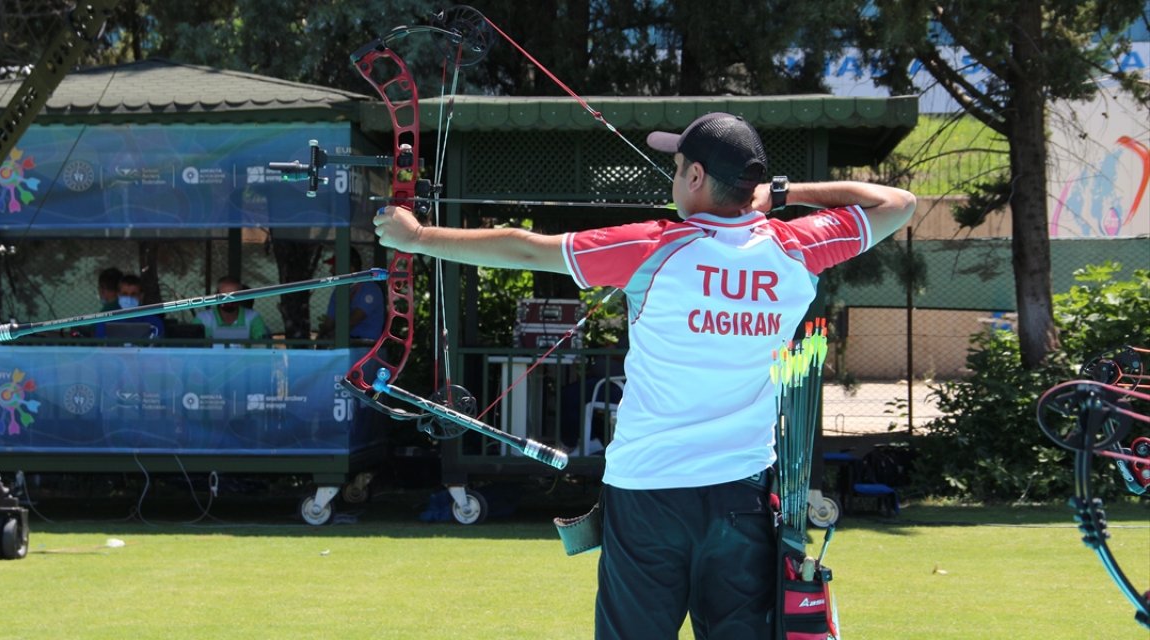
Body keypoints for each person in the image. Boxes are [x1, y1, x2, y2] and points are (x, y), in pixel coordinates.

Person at [374, 112, 916, 639]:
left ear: (696, 176)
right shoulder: (798, 247)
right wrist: (781, 192)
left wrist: (416, 237)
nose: (673, 177)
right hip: (742, 496)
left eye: (678, 167)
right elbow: (897, 203)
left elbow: (524, 247)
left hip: (648, 494)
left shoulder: (653, 246)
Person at [319, 251, 384, 341]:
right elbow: (328, 323)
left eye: (335, 267)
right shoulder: (338, 291)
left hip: (367, 345)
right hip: (345, 343)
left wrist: (329, 338)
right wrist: (319, 340)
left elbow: (352, 321)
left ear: (351, 269)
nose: (331, 270)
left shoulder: (370, 288)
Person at [194, 275, 269, 347]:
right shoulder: (203, 319)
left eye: (233, 296)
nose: (228, 300)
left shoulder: (253, 317)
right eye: (224, 296)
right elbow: (193, 347)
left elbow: (262, 346)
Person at [95, 273, 164, 340]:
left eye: (133, 294)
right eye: (125, 294)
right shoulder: (105, 321)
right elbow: (101, 343)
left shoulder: (154, 322)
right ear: (118, 295)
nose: (129, 298)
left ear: (141, 296)